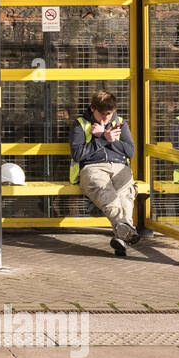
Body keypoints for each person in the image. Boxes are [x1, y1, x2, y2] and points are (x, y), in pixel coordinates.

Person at [70, 89, 139, 256]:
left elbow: (130, 151)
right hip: (93, 167)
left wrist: (107, 138)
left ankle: (121, 238)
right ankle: (125, 229)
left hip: (119, 166)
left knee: (125, 196)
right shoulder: (80, 124)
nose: (106, 118)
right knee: (106, 193)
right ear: (93, 108)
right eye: (102, 114)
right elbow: (78, 154)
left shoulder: (121, 123)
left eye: (110, 114)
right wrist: (101, 140)